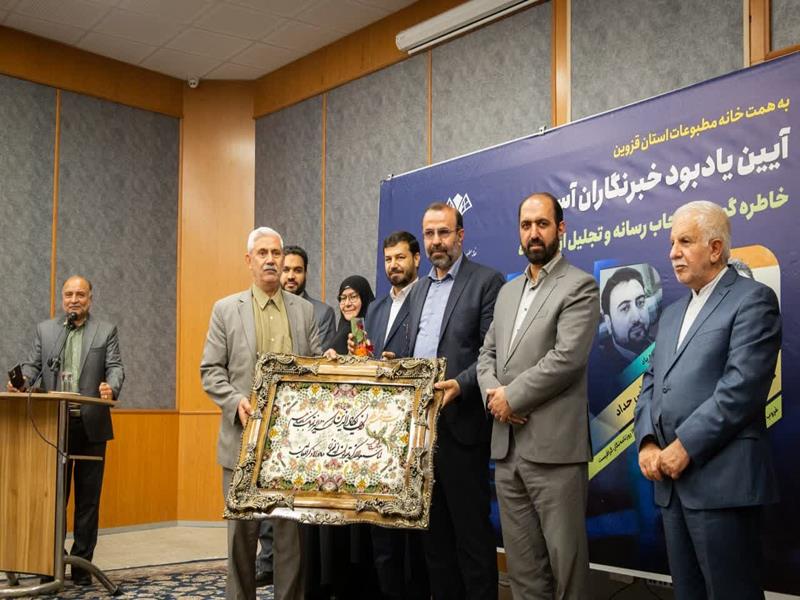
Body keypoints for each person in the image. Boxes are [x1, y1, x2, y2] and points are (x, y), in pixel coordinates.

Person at [634, 200, 781, 600]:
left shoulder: (753, 300)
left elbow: (742, 388)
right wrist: (647, 442)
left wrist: (684, 446)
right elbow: (651, 382)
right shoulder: (671, 314)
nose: (673, 253)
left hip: (723, 485)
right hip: (671, 486)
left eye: (684, 242)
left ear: (715, 249)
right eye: (671, 243)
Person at [477, 193, 599, 599]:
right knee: (523, 571)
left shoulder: (579, 286)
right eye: (526, 225)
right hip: (507, 450)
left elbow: (567, 359)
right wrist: (495, 397)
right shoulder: (507, 292)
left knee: (567, 570)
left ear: (560, 229)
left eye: (542, 224)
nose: (534, 233)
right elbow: (486, 354)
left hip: (555, 451)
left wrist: (511, 397)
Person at [200, 226, 321, 600]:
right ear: (249, 260)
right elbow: (210, 370)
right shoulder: (226, 310)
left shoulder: (304, 311)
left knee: (290, 538)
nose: (270, 259)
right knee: (242, 536)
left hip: (292, 445)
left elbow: (316, 367)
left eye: (276, 253)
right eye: (263, 253)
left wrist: (329, 363)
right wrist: (235, 401)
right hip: (242, 440)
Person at [406, 202, 505, 599]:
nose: (436, 241)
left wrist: (461, 385)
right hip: (421, 435)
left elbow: (491, 353)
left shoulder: (486, 282)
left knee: (472, 541)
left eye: (443, 232)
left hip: (462, 430)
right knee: (435, 544)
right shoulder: (418, 290)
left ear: (460, 236)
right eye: (429, 234)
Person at [7, 275, 124, 586]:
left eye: (80, 294)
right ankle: (50, 562)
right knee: (52, 498)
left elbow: (115, 367)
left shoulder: (105, 330)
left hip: (90, 425)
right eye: (69, 294)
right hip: (52, 426)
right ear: (62, 299)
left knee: (88, 501)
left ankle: (82, 566)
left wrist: (110, 387)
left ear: (90, 299)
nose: (74, 300)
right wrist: (22, 382)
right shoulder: (46, 331)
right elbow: (33, 366)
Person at [364, 231, 429, 600]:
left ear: (416, 259)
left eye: (400, 258)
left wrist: (402, 367)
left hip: (415, 432)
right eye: (388, 259)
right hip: (378, 437)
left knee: (415, 542)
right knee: (383, 538)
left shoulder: (427, 298)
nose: (394, 265)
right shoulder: (375, 308)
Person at [599, 266, 654, 372]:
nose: (636, 317)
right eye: (624, 308)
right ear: (609, 323)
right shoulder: (603, 370)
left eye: (640, 303)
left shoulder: (658, 344)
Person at [281, 245, 337, 347]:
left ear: (306, 274)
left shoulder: (323, 313)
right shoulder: (268, 310)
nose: (291, 276)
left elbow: (320, 355)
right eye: (285, 270)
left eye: (298, 270)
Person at [327, 275, 375, 355]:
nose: (347, 304)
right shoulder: (341, 332)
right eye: (343, 298)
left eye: (353, 297)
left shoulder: (377, 329)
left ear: (364, 299)